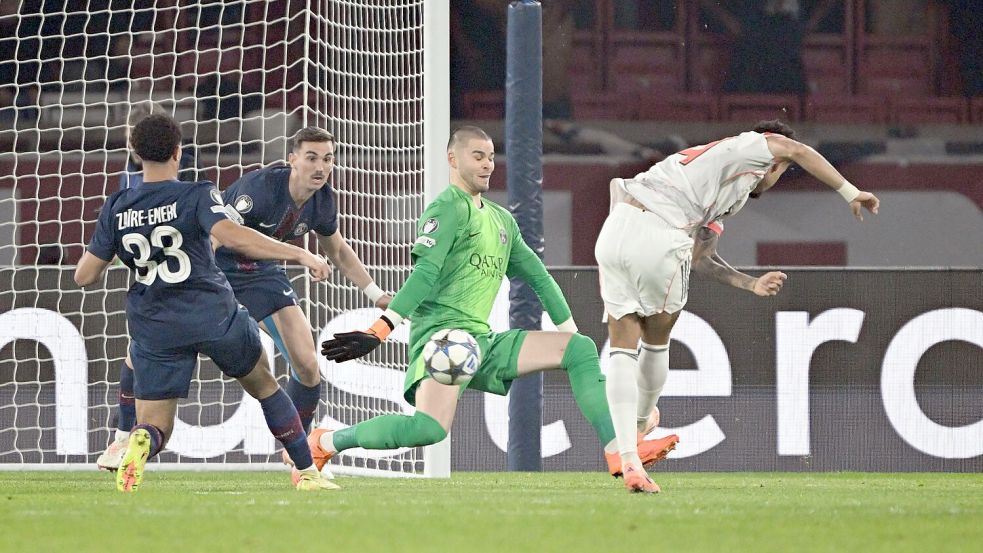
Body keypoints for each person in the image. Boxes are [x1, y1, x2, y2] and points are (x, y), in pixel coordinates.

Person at [318, 126, 678, 494]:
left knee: (580, 348)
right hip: (443, 342)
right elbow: (424, 275)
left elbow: (540, 278)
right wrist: (379, 330)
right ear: (452, 159)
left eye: (490, 157)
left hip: (482, 341)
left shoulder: (502, 220)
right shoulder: (446, 209)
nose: (488, 164)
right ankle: (326, 442)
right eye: (478, 156)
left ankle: (619, 450)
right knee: (427, 430)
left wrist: (569, 335)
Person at [595, 119, 881, 490]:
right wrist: (850, 191)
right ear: (775, 163)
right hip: (662, 231)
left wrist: (751, 283)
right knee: (656, 338)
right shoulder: (751, 146)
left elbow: (701, 258)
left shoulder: (722, 184)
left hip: (616, 228)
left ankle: (628, 453)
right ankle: (638, 428)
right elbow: (797, 149)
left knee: (622, 342)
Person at [75, 113, 337, 492]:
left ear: (134, 153)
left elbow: (84, 276)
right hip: (213, 314)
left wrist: (124, 247)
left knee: (156, 425)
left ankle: (138, 438)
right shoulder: (197, 194)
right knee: (266, 387)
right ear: (178, 152)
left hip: (156, 323)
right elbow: (235, 236)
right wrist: (300, 254)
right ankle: (307, 472)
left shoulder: (116, 207)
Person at [214, 126, 392, 444]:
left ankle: (299, 451)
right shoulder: (259, 189)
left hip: (260, 273)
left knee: (308, 366)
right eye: (311, 158)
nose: (320, 167)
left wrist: (376, 294)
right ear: (292, 159)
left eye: (328, 159)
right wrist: (301, 255)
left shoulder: (322, 200)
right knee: (178, 345)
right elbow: (219, 236)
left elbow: (338, 250)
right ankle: (127, 430)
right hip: (215, 270)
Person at [95, 101, 201, 471]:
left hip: (172, 284)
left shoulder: (158, 177)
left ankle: (126, 437)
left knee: (139, 358)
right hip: (179, 282)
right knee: (135, 356)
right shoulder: (138, 176)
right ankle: (125, 437)